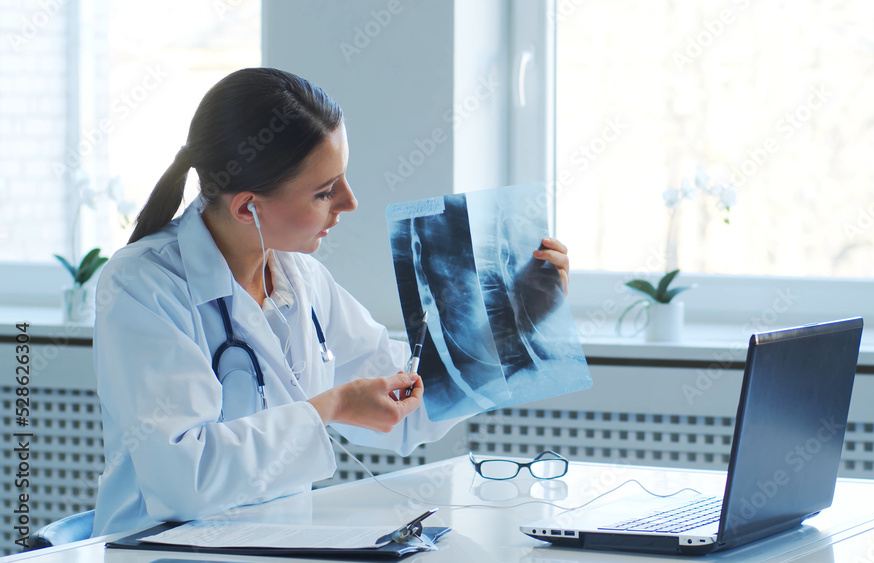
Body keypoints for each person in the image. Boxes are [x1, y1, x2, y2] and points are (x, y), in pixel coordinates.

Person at [90, 67, 570, 537]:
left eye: (342, 178)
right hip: (161, 552)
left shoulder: (302, 279)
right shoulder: (143, 286)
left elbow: (405, 406)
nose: (349, 202)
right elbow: (184, 479)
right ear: (246, 207)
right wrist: (330, 406)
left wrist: (514, 321)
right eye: (324, 191)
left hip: (277, 545)